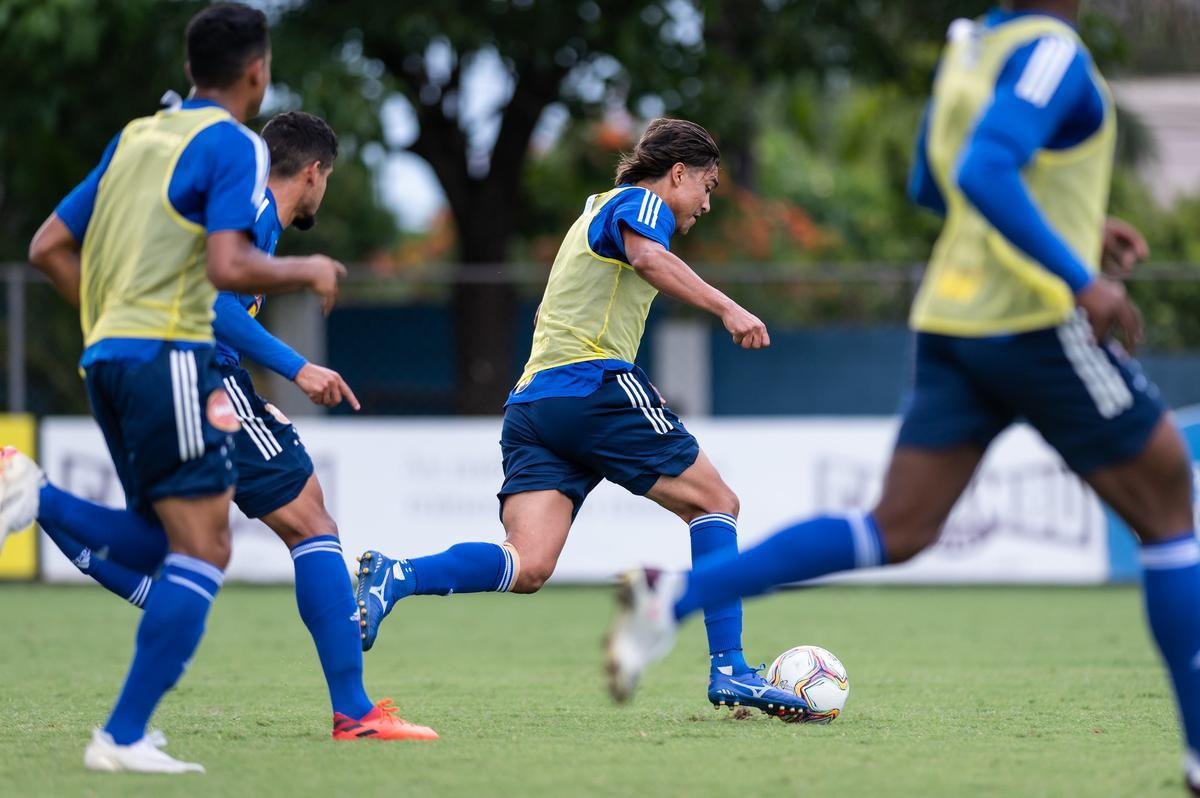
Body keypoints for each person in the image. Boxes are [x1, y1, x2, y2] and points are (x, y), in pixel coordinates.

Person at [606, 3, 1200, 792]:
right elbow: (988, 171)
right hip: (1031, 321)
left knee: (897, 527)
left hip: (950, 323)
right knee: (1168, 507)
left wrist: (1079, 225)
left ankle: (676, 593)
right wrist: (1078, 274)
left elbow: (934, 181)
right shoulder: (1053, 52)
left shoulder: (971, 49)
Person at [354, 117, 806, 717]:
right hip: (590, 385)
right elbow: (648, 259)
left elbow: (580, 305)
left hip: (533, 405)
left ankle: (398, 575)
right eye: (708, 185)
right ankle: (731, 669)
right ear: (677, 174)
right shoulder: (640, 203)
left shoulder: (596, 211)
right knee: (716, 504)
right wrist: (729, 308)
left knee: (528, 562)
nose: (707, 202)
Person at [0, 3, 349, 774]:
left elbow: (48, 246)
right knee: (206, 546)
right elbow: (226, 273)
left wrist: (109, 322)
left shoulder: (136, 136)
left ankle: (124, 731)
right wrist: (306, 270)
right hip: (171, 357)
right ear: (255, 73)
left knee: (170, 543)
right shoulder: (232, 146)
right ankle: (37, 502)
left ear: (192, 68)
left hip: (110, 360)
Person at [26, 110, 438, 744]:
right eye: (326, 181)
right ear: (314, 171)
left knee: (165, 547)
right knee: (311, 523)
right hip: (202, 377)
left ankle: (41, 501)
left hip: (152, 370)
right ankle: (353, 712)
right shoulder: (250, 206)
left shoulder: (191, 177)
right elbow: (216, 305)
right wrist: (296, 368)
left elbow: (56, 248)